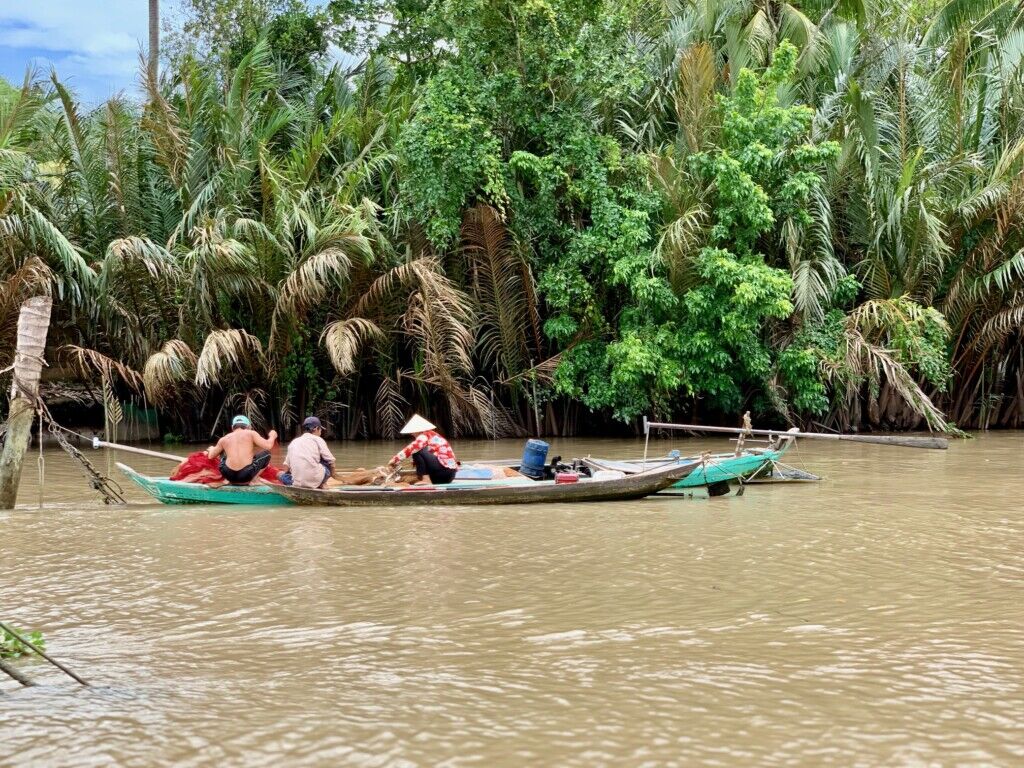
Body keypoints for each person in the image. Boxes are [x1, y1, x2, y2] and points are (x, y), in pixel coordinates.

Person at [207, 415, 278, 485]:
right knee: (267, 453)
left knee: (222, 454)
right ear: (249, 427)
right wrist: (272, 436)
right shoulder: (251, 433)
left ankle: (226, 480)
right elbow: (268, 446)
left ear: (232, 427)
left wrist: (212, 449)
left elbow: (210, 456)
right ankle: (254, 479)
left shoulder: (224, 439)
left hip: (228, 475)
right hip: (246, 475)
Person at [388, 414, 458, 485]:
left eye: (412, 432)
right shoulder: (433, 436)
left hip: (443, 473)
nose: (411, 434)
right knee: (417, 454)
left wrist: (395, 460)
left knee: (416, 452)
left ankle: (426, 479)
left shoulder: (425, 435)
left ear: (418, 430)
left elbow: (411, 448)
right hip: (450, 476)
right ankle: (426, 479)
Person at [282, 416, 338, 489]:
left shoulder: (294, 442)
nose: (321, 432)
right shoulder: (318, 439)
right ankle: (322, 484)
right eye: (320, 429)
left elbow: (286, 467)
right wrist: (334, 475)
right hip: (315, 478)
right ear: (316, 428)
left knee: (284, 476)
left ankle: (300, 483)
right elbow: (331, 461)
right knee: (327, 462)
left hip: (297, 483)